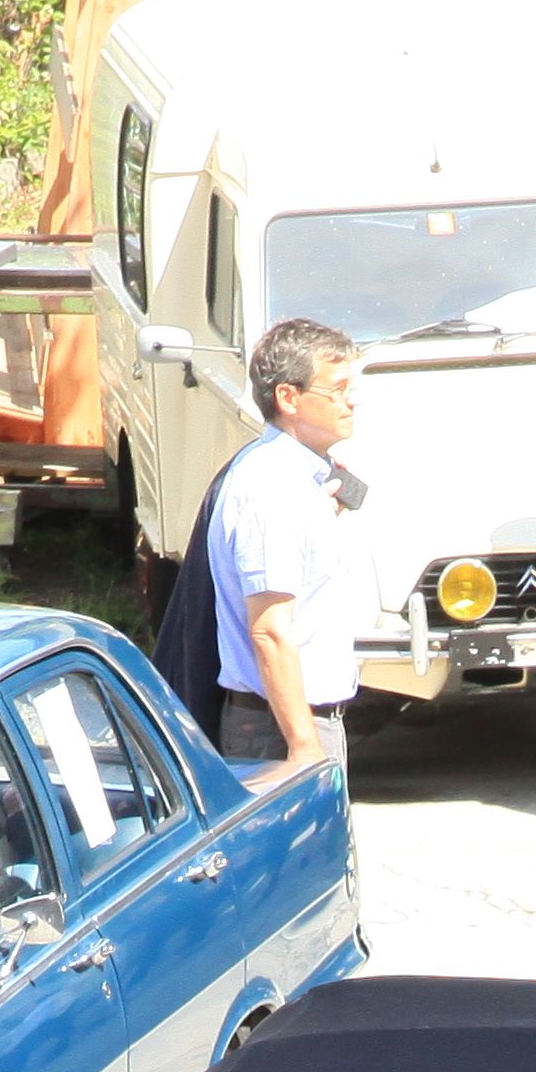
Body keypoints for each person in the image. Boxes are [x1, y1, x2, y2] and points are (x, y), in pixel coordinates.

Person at [211, 315, 370, 771]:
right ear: (289, 397)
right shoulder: (273, 489)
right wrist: (303, 747)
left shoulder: (297, 480)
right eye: (337, 390)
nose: (351, 401)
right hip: (281, 731)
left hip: (291, 722)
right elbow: (270, 631)